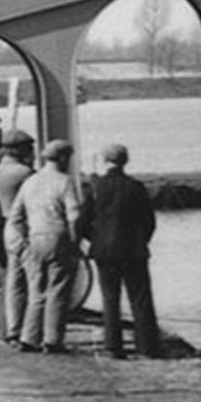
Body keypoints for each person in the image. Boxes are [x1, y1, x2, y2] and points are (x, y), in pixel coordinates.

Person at [6, 137, 84, 353]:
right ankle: (52, 340)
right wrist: (75, 242)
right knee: (58, 289)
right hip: (57, 236)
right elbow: (74, 216)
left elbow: (15, 216)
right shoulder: (64, 181)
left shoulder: (30, 182)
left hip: (34, 238)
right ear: (62, 157)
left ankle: (29, 338)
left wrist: (21, 241)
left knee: (36, 291)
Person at [85, 142, 161, 359]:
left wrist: (96, 240)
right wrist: (141, 240)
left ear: (104, 160)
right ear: (125, 161)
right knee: (140, 297)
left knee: (110, 298)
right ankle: (147, 347)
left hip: (104, 251)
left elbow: (83, 222)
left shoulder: (95, 188)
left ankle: (113, 347)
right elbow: (149, 221)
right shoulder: (136, 187)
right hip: (134, 250)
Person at [0, 129, 36, 344]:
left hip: (5, 228)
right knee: (29, 282)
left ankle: (10, 330)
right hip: (22, 226)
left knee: (11, 282)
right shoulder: (23, 173)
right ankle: (28, 332)